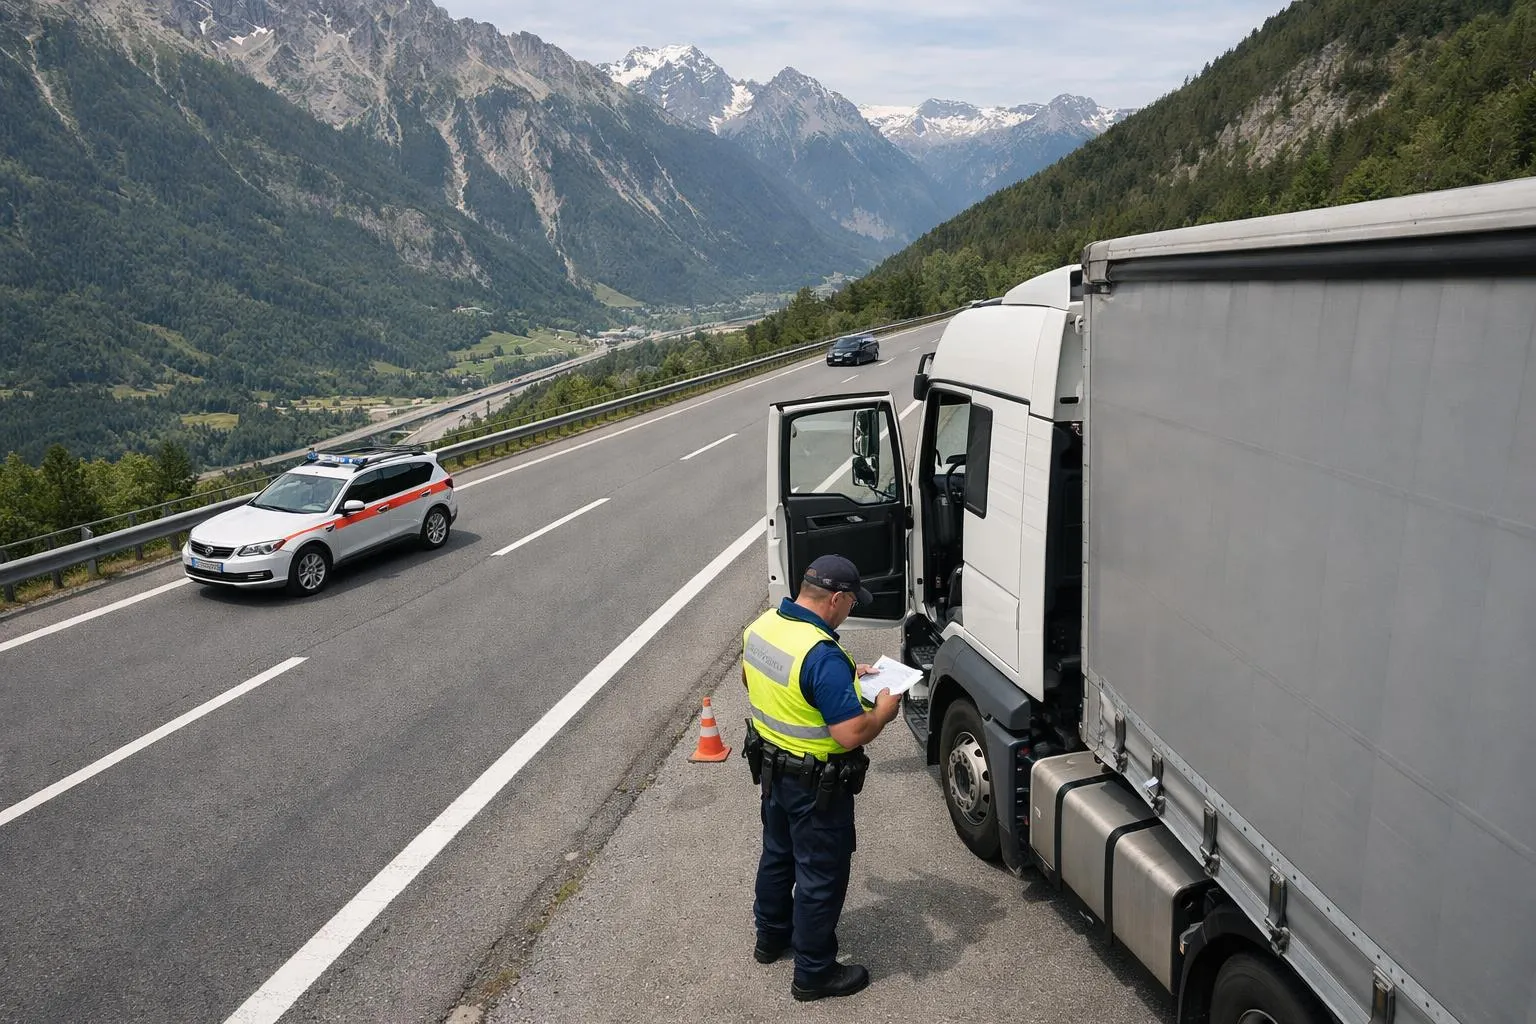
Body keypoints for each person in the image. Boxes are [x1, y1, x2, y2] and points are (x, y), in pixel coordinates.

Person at [740, 553, 902, 1001]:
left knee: (777, 855)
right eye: (852, 602)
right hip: (816, 787)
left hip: (772, 770)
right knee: (819, 874)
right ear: (835, 599)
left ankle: (770, 939)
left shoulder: (763, 627)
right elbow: (851, 733)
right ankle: (814, 973)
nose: (852, 610)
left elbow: (752, 681)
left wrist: (846, 681)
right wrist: (883, 713)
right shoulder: (821, 654)